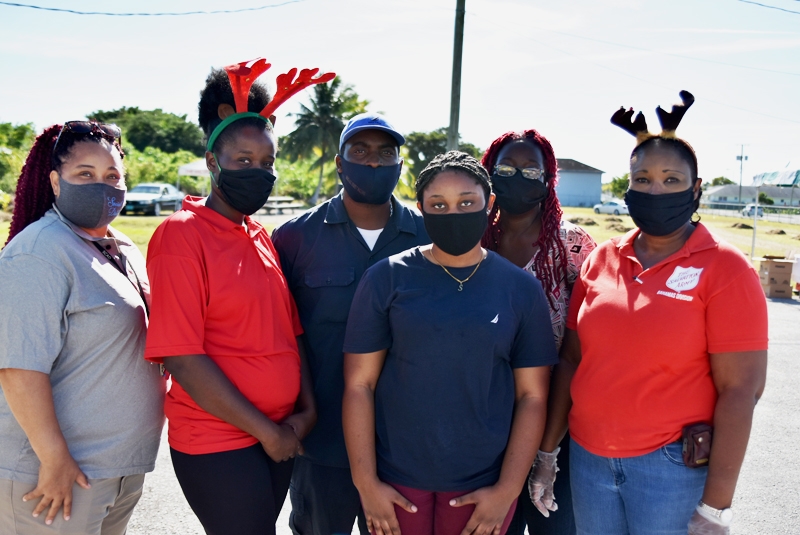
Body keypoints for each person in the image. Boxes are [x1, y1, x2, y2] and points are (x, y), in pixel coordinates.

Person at [533, 91, 768, 535]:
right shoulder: (601, 259)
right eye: (641, 179)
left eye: (671, 180)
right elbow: (572, 361)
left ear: (695, 189)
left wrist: (717, 507)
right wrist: (548, 454)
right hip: (589, 462)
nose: (654, 190)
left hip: (671, 470)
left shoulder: (725, 268)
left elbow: (741, 392)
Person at [143, 58, 332, 535]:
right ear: (212, 162)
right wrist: (268, 432)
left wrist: (304, 413)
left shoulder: (259, 235)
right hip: (219, 438)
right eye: (243, 162)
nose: (258, 172)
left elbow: (291, 336)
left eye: (267, 162)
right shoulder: (181, 235)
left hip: (279, 434)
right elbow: (183, 358)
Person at [342, 151, 558, 535]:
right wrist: (366, 484)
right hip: (396, 482)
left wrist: (506, 491)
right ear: (421, 208)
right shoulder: (386, 280)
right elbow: (360, 385)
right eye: (438, 205)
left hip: (483, 487)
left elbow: (533, 398)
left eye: (467, 203)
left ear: (489, 204)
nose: (453, 213)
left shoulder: (520, 289)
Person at [0, 121, 164, 535]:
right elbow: (18, 368)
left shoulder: (121, 247)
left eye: (112, 176)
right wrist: (54, 459)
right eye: (84, 175)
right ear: (55, 182)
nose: (102, 186)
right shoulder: (39, 253)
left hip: (117, 468)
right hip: (53, 473)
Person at [272, 112, 429, 535]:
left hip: (405, 446)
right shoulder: (294, 238)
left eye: (385, 152)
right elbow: (282, 336)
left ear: (400, 163)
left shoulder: (428, 237)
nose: (374, 162)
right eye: (359, 151)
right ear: (340, 162)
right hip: (322, 444)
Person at [481, 129, 596, 535]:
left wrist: (548, 452)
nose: (518, 177)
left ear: (549, 180)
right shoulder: (470, 239)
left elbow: (580, 351)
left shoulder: (572, 244)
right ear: (488, 173)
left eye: (532, 171)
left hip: (556, 420)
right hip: (485, 420)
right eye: (506, 169)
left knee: (555, 527)